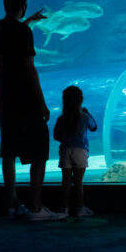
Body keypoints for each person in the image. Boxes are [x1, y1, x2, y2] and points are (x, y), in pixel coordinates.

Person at [0, 0, 65, 221]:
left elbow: (12, 36)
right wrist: (41, 103)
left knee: (9, 151)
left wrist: (28, 21)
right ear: (23, 5)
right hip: (25, 98)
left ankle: (11, 204)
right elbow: (29, 68)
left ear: (5, 4)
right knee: (40, 151)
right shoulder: (23, 33)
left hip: (5, 97)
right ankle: (34, 206)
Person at [53, 85, 98, 217]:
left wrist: (65, 139)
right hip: (80, 150)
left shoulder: (61, 118)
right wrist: (88, 112)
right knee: (78, 181)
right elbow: (94, 127)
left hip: (66, 150)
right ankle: (79, 208)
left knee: (66, 181)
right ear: (81, 100)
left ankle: (64, 208)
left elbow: (56, 135)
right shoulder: (84, 116)